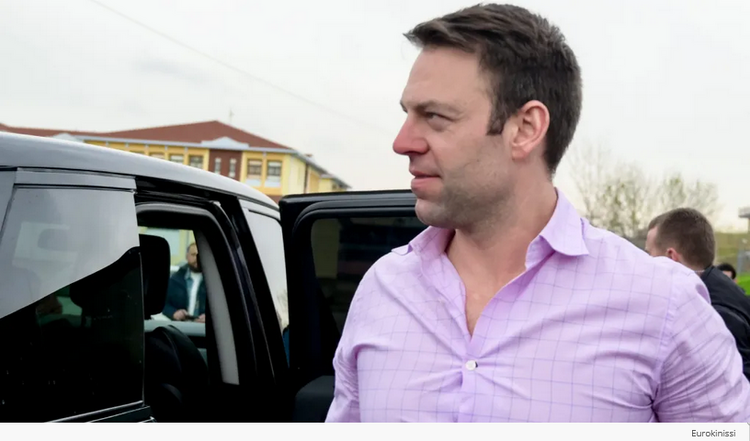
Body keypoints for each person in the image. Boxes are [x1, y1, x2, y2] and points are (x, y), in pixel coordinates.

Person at [325, 4, 750, 422]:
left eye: (434, 117)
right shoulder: (382, 289)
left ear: (526, 129)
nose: (402, 143)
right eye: (408, 115)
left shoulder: (663, 306)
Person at [645, 208, 750, 381]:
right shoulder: (716, 289)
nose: (647, 264)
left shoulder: (714, 312)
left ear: (671, 257)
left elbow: (735, 385)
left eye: (650, 255)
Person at [163, 242, 207, 323]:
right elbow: (164, 304)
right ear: (187, 256)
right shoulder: (175, 279)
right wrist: (173, 313)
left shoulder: (214, 281)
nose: (197, 258)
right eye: (193, 254)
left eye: (200, 255)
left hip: (204, 328)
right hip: (181, 327)